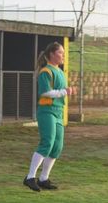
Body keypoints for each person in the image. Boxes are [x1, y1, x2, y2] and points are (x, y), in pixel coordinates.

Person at [23, 42, 72, 192]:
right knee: (47, 143)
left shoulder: (61, 72)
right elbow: (45, 92)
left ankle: (43, 179)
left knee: (57, 147)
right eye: (60, 53)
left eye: (63, 53)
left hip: (58, 112)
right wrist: (64, 92)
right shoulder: (46, 71)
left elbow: (60, 91)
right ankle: (30, 177)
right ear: (51, 54)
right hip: (47, 111)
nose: (63, 55)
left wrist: (64, 92)